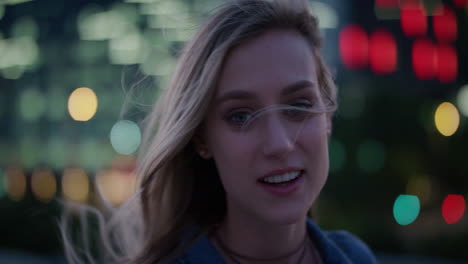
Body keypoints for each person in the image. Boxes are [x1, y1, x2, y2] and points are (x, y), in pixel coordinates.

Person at [62, 0, 377, 263]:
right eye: (241, 116)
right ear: (201, 138)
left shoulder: (354, 257)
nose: (279, 144)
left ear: (327, 117)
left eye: (298, 106)